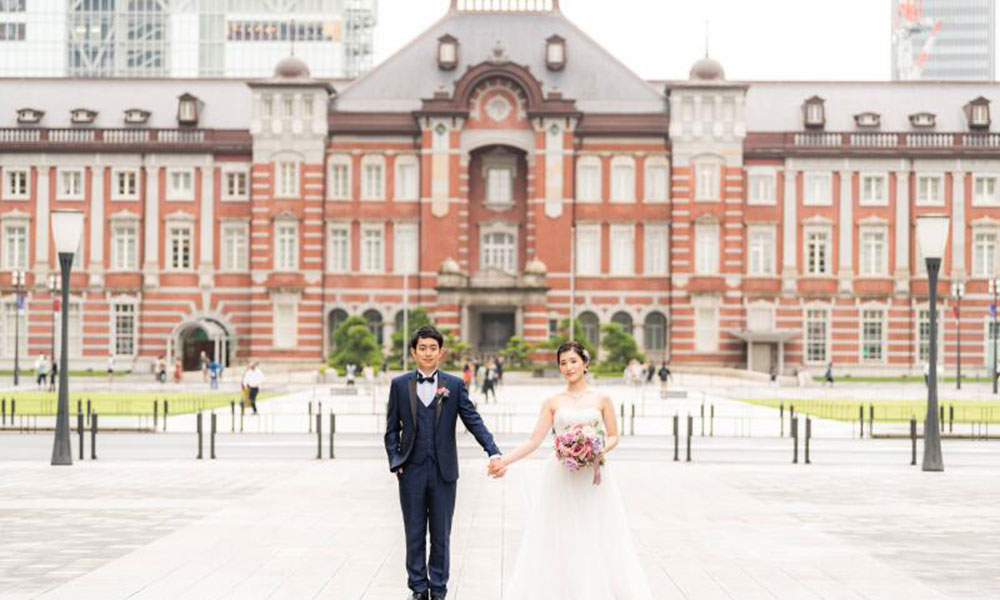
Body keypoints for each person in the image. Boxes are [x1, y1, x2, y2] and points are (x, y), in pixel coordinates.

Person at [496, 341, 653, 598]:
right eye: (563, 363)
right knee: (561, 535)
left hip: (593, 476)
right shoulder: (552, 401)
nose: (568, 367)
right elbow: (534, 440)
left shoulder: (602, 399)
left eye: (573, 361)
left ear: (585, 363)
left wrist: (597, 448)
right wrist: (504, 460)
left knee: (596, 532)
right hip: (560, 475)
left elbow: (614, 435)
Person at [384, 325, 502, 600]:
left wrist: (493, 451)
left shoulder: (454, 385)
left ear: (441, 352)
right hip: (411, 470)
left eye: (433, 348)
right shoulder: (400, 385)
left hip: (444, 472)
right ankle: (418, 589)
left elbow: (473, 420)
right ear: (413, 352)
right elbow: (391, 429)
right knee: (413, 533)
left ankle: (438, 589)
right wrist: (395, 460)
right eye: (422, 348)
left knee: (441, 535)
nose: (428, 353)